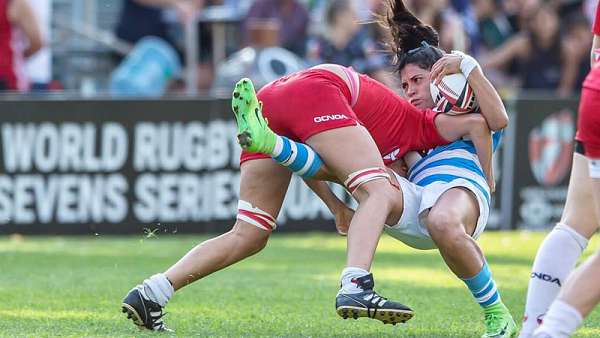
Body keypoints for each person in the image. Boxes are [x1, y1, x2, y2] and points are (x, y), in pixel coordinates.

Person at [120, 0, 496, 332]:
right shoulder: (424, 124)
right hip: (321, 89)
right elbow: (482, 124)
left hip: (274, 101)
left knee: (248, 235)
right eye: (409, 82)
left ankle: (153, 291)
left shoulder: (372, 140)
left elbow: (317, 164)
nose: (411, 89)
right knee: (379, 188)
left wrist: (336, 208)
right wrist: (486, 177)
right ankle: (356, 285)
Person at [232, 2, 516, 337]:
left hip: (458, 191)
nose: (410, 92)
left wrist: (469, 66)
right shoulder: (410, 126)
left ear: (443, 79)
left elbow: (497, 121)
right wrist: (337, 206)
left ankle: (498, 315)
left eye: (418, 81)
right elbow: (336, 165)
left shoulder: (468, 113)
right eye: (405, 85)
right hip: (414, 202)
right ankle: (272, 144)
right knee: (358, 172)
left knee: (443, 220)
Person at [520, 3, 600, 338]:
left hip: (595, 91)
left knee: (574, 225)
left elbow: (596, 50)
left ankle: (536, 329)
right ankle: (548, 333)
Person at [0, 0, 43, 91]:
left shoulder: (15, 3)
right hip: (8, 78)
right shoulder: (17, 3)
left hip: (7, 80)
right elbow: (37, 41)